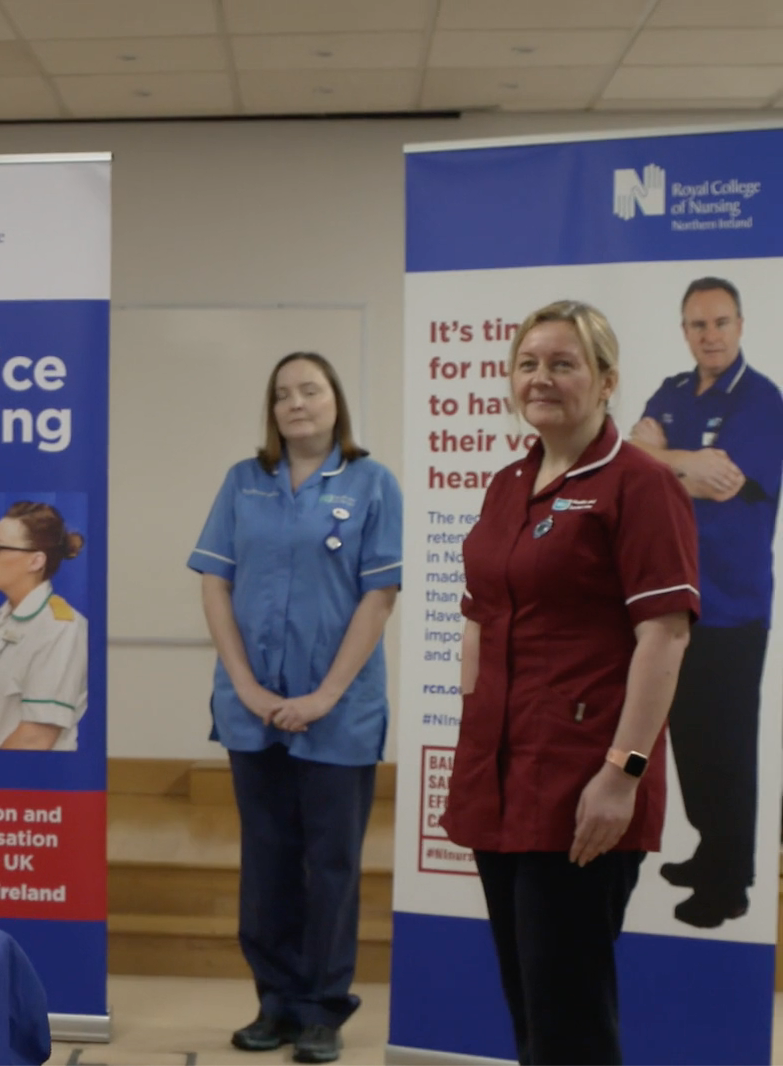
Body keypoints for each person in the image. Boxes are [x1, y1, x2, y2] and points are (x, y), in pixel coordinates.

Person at [446, 301, 697, 1066]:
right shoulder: (508, 483)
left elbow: (665, 634)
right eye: (528, 364)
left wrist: (623, 775)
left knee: (570, 1019)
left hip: (584, 780)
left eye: (563, 364)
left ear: (607, 379)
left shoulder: (641, 485)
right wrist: (472, 718)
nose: (541, 379)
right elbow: (480, 617)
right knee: (531, 1004)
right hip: (500, 772)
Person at [187, 352, 403, 1064]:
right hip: (252, 708)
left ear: (336, 401)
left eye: (309, 390)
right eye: (282, 395)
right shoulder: (242, 484)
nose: (295, 403)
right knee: (269, 858)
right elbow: (216, 585)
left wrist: (324, 696)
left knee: (331, 864)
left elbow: (378, 598)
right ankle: (274, 1003)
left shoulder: (373, 484)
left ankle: (322, 1010)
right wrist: (246, 687)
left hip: (339, 709)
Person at [628, 277, 783, 929]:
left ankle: (730, 884)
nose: (710, 335)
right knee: (689, 738)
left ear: (741, 325)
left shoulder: (762, 400)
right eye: (698, 325)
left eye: (720, 323)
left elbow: (724, 484)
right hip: (677, 596)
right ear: (685, 331)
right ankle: (709, 849)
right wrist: (683, 460)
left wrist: (668, 457)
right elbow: (630, 457)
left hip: (733, 601)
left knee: (726, 744)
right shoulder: (671, 389)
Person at [0, 502, 90, 752]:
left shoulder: (61, 629)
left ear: (35, 561)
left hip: (23, 784)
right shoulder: (2, 615)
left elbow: (35, 737)